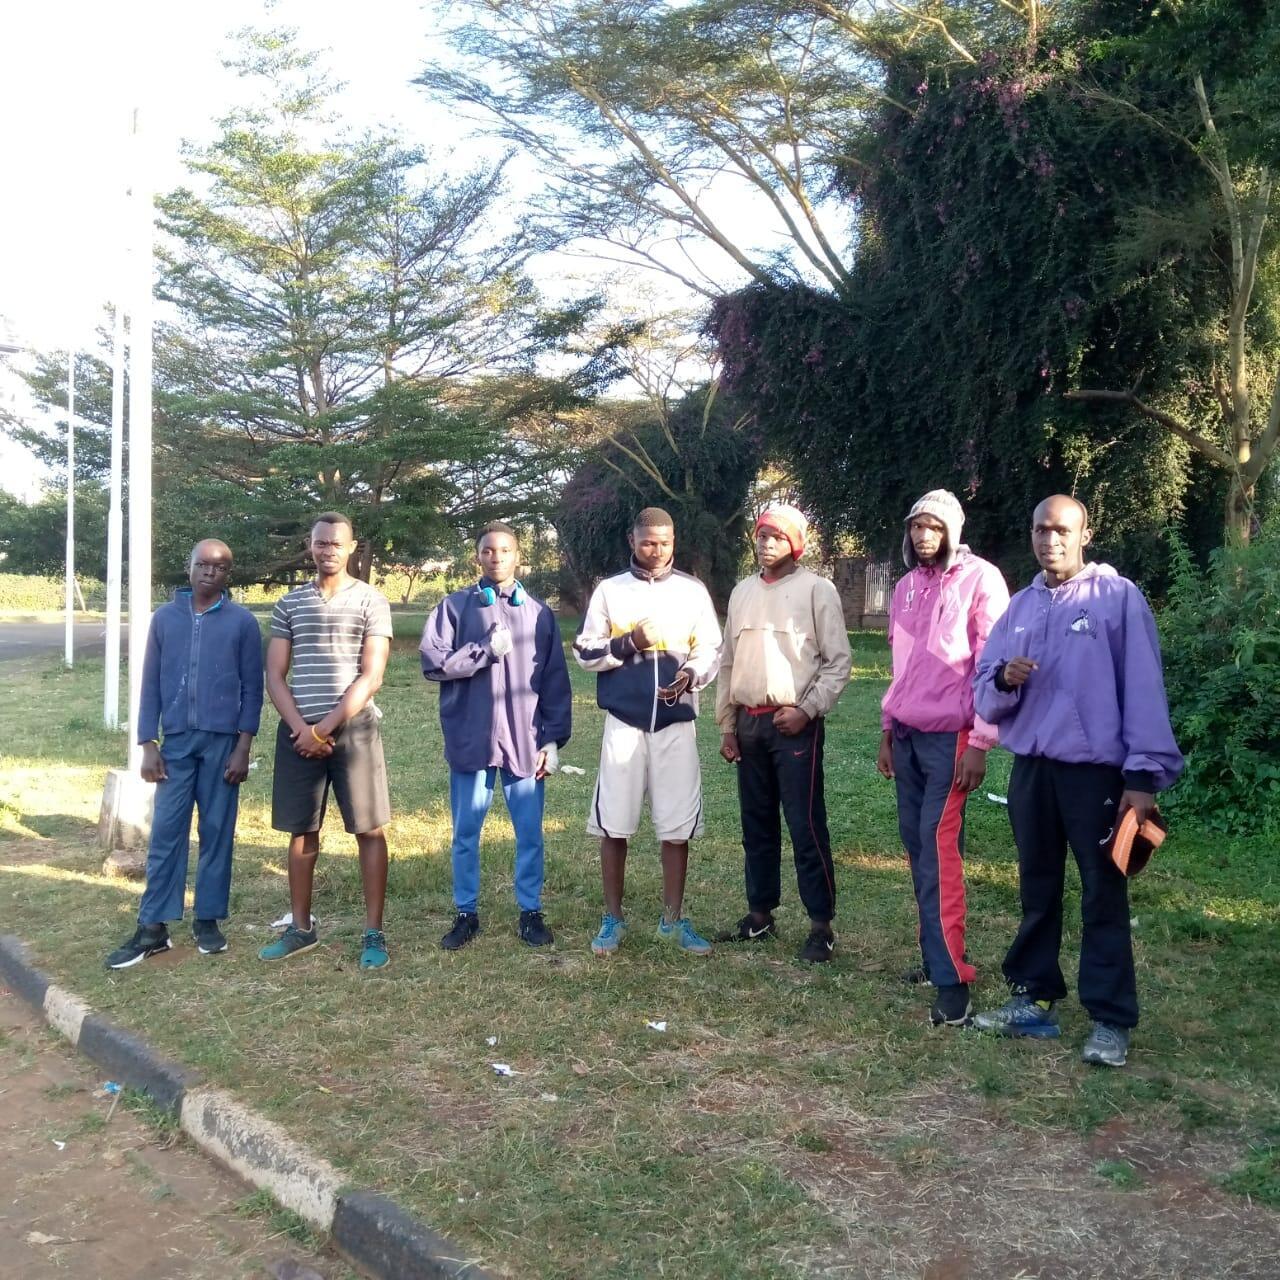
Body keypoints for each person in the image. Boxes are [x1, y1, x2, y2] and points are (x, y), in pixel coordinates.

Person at [973, 495, 1183, 1067]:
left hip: (1097, 777)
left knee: (1103, 893)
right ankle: (1033, 999)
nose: (1051, 540)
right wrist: (1005, 680)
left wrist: (1142, 778)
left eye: (1063, 530)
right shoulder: (1018, 607)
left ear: (1084, 533)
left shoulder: (1116, 599)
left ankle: (1110, 1020)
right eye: (1042, 529)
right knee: (1037, 888)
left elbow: (1143, 688)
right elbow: (983, 691)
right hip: (1033, 772)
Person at [876, 490, 1010, 1025]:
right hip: (907, 735)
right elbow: (899, 666)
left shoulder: (982, 580)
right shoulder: (906, 587)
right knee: (917, 846)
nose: (923, 536)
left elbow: (991, 663)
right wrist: (888, 729)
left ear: (951, 530)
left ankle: (953, 979)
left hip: (951, 740)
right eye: (915, 527)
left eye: (933, 527)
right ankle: (936, 956)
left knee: (937, 850)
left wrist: (981, 741)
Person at [106, 540, 263, 968]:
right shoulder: (165, 619)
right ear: (188, 566)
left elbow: (253, 689)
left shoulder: (243, 623)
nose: (211, 572)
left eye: (221, 567)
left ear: (229, 574)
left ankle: (208, 918)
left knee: (216, 832)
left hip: (222, 746)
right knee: (167, 833)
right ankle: (153, 926)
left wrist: (243, 747)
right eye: (203, 565)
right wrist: (147, 744)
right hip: (175, 745)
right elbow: (151, 683)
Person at [574, 507, 722, 956]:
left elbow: (711, 646)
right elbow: (585, 651)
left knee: (676, 825)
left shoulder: (692, 591)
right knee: (614, 823)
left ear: (674, 542)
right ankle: (612, 919)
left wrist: (691, 675)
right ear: (631, 540)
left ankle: (673, 920)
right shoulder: (610, 591)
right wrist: (628, 643)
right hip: (625, 722)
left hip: (675, 723)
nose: (657, 551)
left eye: (665, 543)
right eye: (648, 542)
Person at [420, 522, 572, 950]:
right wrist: (483, 651)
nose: (496, 557)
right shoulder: (453, 607)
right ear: (478, 557)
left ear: (516, 557)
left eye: (505, 550)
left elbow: (556, 681)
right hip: (472, 737)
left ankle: (530, 911)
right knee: (466, 830)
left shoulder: (539, 613)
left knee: (529, 832)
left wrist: (553, 738)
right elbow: (433, 663)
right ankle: (466, 912)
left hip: (525, 740)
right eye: (488, 550)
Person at [716, 505, 852, 964]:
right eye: (760, 535)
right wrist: (728, 725)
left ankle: (820, 924)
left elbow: (838, 662)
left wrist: (807, 709)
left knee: (805, 825)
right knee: (756, 824)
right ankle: (760, 914)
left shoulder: (817, 590)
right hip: (750, 723)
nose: (766, 543)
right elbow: (728, 662)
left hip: (794, 724)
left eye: (777, 536)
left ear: (794, 542)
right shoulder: (741, 592)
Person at [258, 513, 394, 970]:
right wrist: (302, 729)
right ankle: (301, 929)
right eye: (320, 543)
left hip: (353, 730)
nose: (328, 550)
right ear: (310, 546)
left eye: (337, 543)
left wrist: (326, 728)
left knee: (369, 830)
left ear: (352, 547)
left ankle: (374, 933)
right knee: (302, 831)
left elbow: (371, 674)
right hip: (298, 733)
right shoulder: (289, 603)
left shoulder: (372, 600)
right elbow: (274, 675)